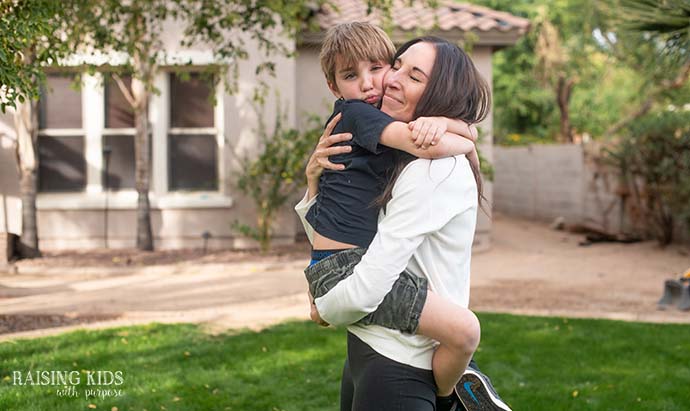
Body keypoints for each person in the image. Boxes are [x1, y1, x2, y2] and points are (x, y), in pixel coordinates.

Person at [296, 23, 510, 411]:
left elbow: (359, 266)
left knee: (464, 331)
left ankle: (452, 393)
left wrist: (325, 301)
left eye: (410, 74)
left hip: (395, 355)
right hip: (379, 343)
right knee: (464, 331)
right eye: (397, 65)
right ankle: (453, 395)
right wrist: (314, 182)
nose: (383, 81)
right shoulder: (373, 127)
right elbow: (350, 239)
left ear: (439, 90)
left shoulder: (431, 166)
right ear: (334, 85)